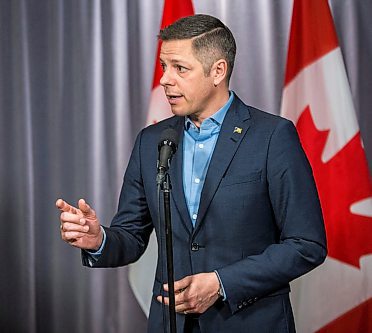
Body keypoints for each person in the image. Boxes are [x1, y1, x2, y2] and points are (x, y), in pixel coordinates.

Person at [57, 14, 327, 333]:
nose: (166, 80)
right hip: (170, 324)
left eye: (180, 69)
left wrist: (220, 283)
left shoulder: (271, 137)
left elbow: (306, 244)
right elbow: (130, 236)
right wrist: (98, 239)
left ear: (218, 71)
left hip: (250, 323)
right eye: (163, 67)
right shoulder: (151, 141)